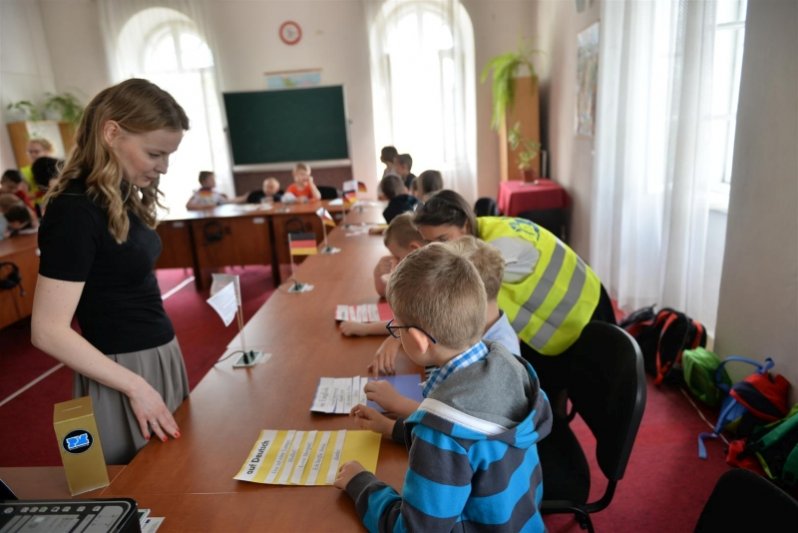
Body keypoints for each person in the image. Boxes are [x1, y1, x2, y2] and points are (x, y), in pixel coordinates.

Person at [335, 243, 552, 532]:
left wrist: (361, 485)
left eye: (396, 329)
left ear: (418, 339)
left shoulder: (441, 435)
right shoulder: (510, 369)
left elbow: (415, 529)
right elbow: (471, 445)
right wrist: (397, 429)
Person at [30, 78, 191, 465]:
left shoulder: (120, 193)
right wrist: (136, 387)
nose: (164, 168)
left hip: (157, 355)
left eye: (168, 156)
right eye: (155, 153)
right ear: (111, 132)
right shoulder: (74, 210)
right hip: (122, 372)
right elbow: (47, 331)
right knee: (140, 491)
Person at [412, 189, 617, 413]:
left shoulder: (491, 251)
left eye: (443, 239)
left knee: (574, 395)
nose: (439, 249)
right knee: (541, 390)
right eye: (429, 243)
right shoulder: (483, 231)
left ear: (466, 226)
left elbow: (459, 306)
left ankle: (547, 432)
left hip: (579, 310)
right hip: (566, 304)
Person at [339, 213, 424, 337]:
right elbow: (383, 294)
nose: (394, 260)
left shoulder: (427, 279)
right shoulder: (416, 269)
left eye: (398, 256)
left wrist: (365, 329)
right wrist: (378, 272)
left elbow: (405, 325)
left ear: (414, 249)